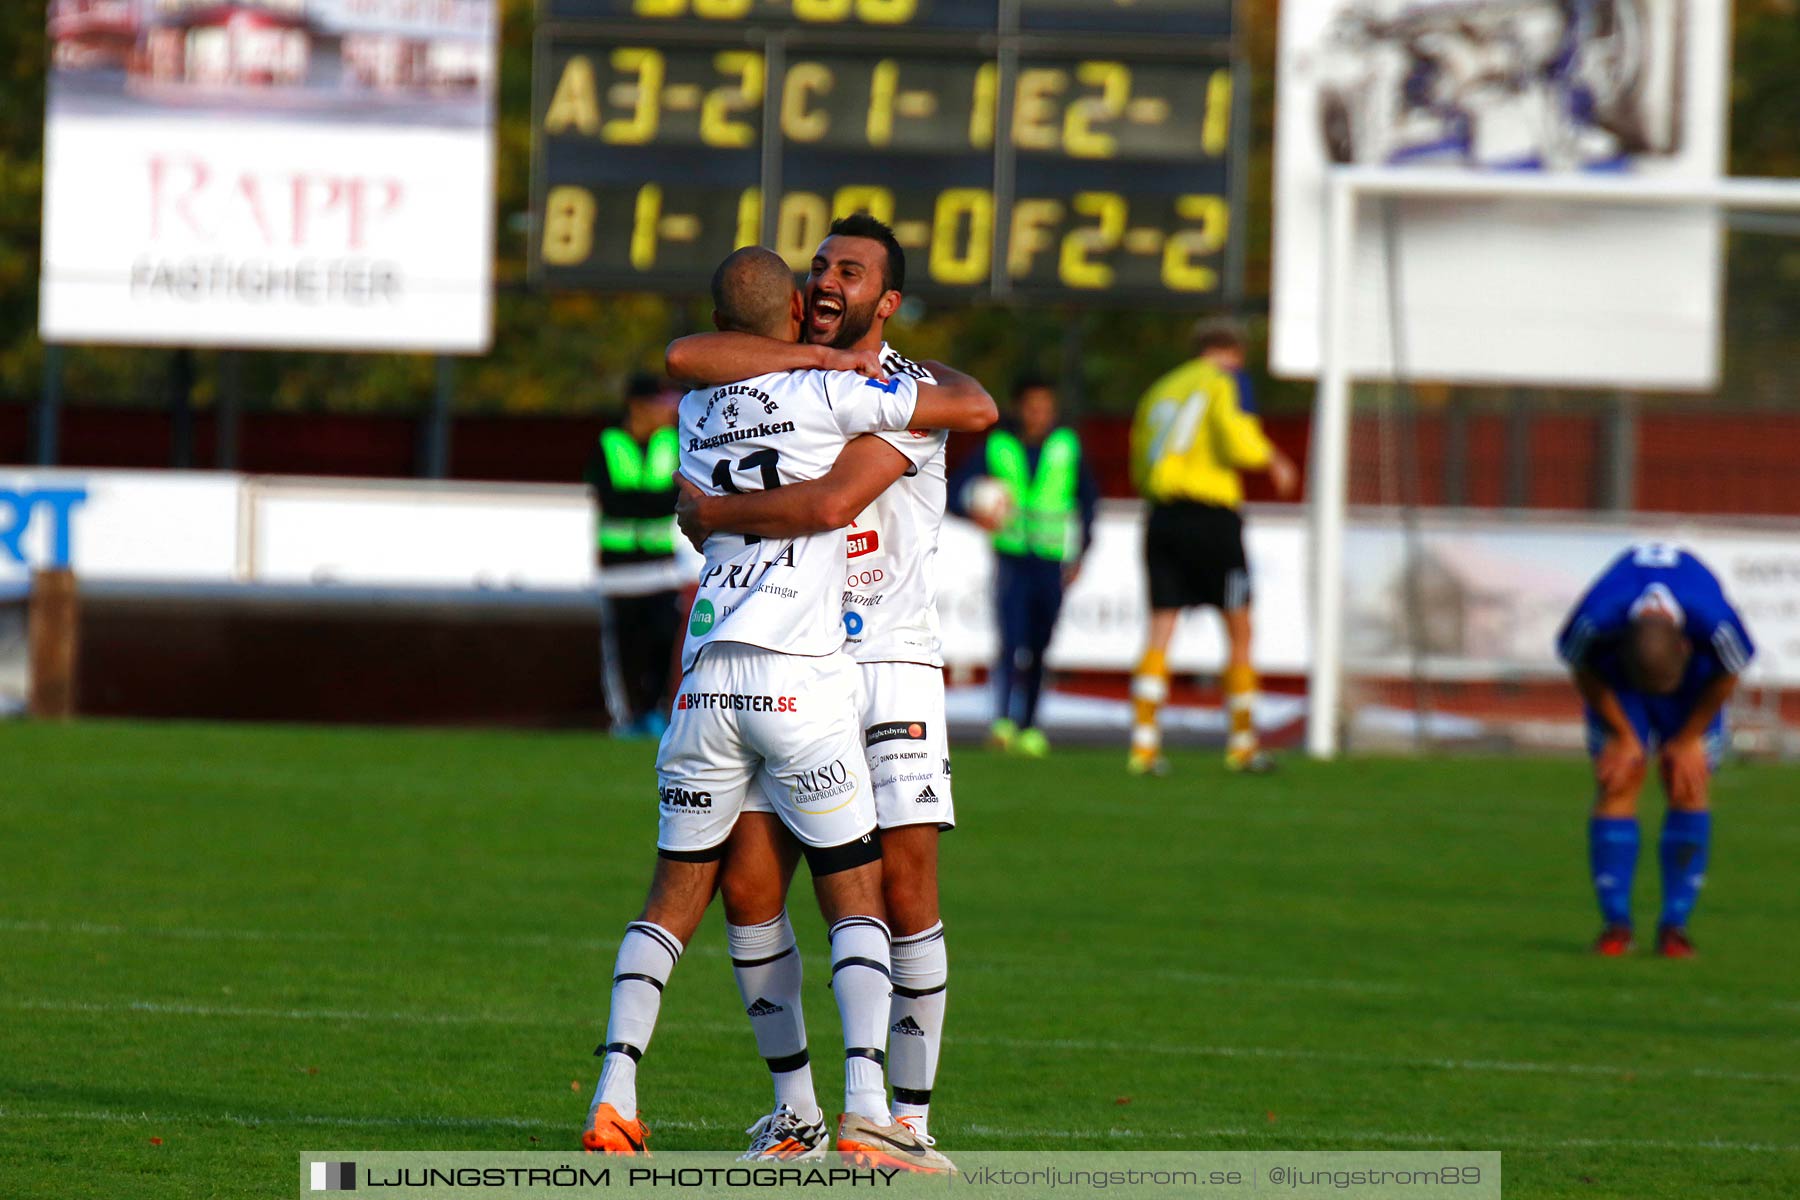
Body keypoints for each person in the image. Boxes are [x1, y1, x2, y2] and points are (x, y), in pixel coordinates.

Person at [579, 245, 995, 1169]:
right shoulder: (829, 391)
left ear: (884, 299)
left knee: (728, 890)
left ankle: (625, 1094)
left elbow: (957, 411)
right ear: (796, 303)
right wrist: (828, 363)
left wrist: (720, 512)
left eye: (848, 274)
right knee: (805, 893)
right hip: (807, 670)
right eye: (816, 274)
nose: (827, 288)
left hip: (818, 665)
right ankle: (835, 1111)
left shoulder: (707, 407)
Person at [1556, 542, 1754, 958]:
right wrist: (1624, 735)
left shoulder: (1715, 625)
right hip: (1618, 681)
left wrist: (1687, 740)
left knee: (1688, 781)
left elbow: (1730, 673)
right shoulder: (1596, 619)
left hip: (1694, 684)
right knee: (1618, 779)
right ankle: (1616, 924)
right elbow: (1580, 666)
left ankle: (1675, 927)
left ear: (1685, 644)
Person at [1126, 320, 1298, 776]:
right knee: (1239, 627)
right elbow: (1235, 439)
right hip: (1211, 518)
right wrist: (1273, 459)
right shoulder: (1225, 380)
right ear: (1232, 352)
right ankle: (1242, 744)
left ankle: (1144, 747)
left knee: (1162, 626)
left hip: (1162, 515)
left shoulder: (1160, 389)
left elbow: (1140, 456)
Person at [946, 376, 1099, 756]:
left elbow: (1088, 502)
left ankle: (1030, 725)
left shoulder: (1067, 446)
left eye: (1045, 407)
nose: (1039, 414)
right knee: (1011, 642)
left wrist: (1081, 554)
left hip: (1050, 560)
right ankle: (1002, 722)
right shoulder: (999, 445)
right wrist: (972, 512)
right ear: (1020, 407)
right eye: (1032, 406)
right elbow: (954, 489)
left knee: (1040, 645)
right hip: (1012, 557)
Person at [584, 374, 681, 737]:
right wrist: (653, 502)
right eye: (660, 403)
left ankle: (653, 714)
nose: (668, 411)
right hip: (619, 570)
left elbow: (674, 498)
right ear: (638, 405)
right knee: (624, 649)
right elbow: (612, 499)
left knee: (662, 642)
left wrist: (643, 501)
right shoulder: (609, 442)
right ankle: (624, 719)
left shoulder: (672, 442)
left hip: (660, 567)